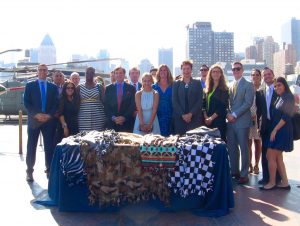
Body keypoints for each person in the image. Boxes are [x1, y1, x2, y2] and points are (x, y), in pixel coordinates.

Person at [23, 64, 59, 182]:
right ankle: (29, 171)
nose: (43, 72)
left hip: (48, 121)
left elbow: (56, 104)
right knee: (31, 146)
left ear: (47, 72)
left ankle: (49, 170)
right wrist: (36, 114)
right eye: (40, 70)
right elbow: (27, 103)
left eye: (45, 70)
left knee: (49, 147)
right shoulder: (30, 86)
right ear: (37, 71)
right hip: (34, 121)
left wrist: (49, 115)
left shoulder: (53, 87)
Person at [260, 77, 294, 190]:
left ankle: (272, 182)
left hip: (282, 131)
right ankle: (285, 182)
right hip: (277, 130)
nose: (277, 87)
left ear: (284, 85)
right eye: (275, 86)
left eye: (279, 85)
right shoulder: (280, 97)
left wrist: (275, 130)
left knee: (270, 155)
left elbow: (286, 116)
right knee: (278, 157)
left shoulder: (288, 97)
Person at [227, 62, 254, 184]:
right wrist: (228, 114)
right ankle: (234, 171)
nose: (235, 71)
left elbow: (248, 103)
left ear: (242, 70)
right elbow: (227, 103)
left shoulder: (248, 85)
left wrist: (234, 114)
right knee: (232, 148)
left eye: (238, 69)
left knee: (244, 148)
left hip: (242, 121)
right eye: (233, 69)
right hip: (230, 122)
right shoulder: (230, 85)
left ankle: (244, 174)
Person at [256, 67, 280, 185]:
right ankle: (266, 177)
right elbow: (259, 111)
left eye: (269, 74)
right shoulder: (260, 91)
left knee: (276, 154)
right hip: (265, 127)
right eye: (265, 75)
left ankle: (277, 178)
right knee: (265, 153)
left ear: (273, 75)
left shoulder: (279, 89)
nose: (267, 77)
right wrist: (258, 126)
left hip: (277, 126)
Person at [172, 60, 203, 135]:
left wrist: (190, 114)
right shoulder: (176, 83)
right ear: (181, 70)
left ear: (191, 69)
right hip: (180, 119)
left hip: (194, 119)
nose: (186, 71)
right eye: (184, 69)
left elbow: (199, 101)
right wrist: (183, 115)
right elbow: (174, 101)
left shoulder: (197, 83)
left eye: (188, 68)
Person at [104, 66, 136, 132]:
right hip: (112, 123)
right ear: (114, 75)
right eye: (116, 73)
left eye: (121, 73)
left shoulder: (131, 88)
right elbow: (106, 106)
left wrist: (124, 118)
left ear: (124, 74)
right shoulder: (108, 88)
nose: (119, 75)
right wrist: (113, 118)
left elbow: (132, 105)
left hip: (127, 123)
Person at [202, 64, 229, 141]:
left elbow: (222, 106)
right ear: (210, 74)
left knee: (219, 146)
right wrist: (206, 117)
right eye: (213, 72)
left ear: (221, 74)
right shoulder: (206, 89)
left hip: (218, 122)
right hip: (207, 122)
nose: (215, 73)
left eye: (218, 72)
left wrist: (211, 118)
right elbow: (203, 104)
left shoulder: (224, 89)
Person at [77, 67, 106, 132]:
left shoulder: (99, 86)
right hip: (83, 117)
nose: (89, 74)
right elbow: (76, 103)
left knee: (97, 138)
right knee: (84, 137)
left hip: (98, 117)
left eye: (91, 73)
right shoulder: (79, 87)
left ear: (94, 74)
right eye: (87, 73)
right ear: (85, 74)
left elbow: (104, 102)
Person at [152, 64, 173, 136]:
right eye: (161, 70)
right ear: (158, 72)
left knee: (169, 140)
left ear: (168, 72)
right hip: (157, 116)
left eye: (165, 70)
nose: (163, 72)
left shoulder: (173, 85)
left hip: (171, 116)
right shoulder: (153, 87)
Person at [248, 69, 262, 174]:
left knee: (257, 142)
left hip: (259, 120)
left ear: (260, 77)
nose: (255, 76)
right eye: (253, 75)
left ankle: (257, 164)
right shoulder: (248, 88)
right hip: (248, 119)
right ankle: (249, 165)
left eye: (257, 75)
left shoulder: (263, 89)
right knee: (248, 142)